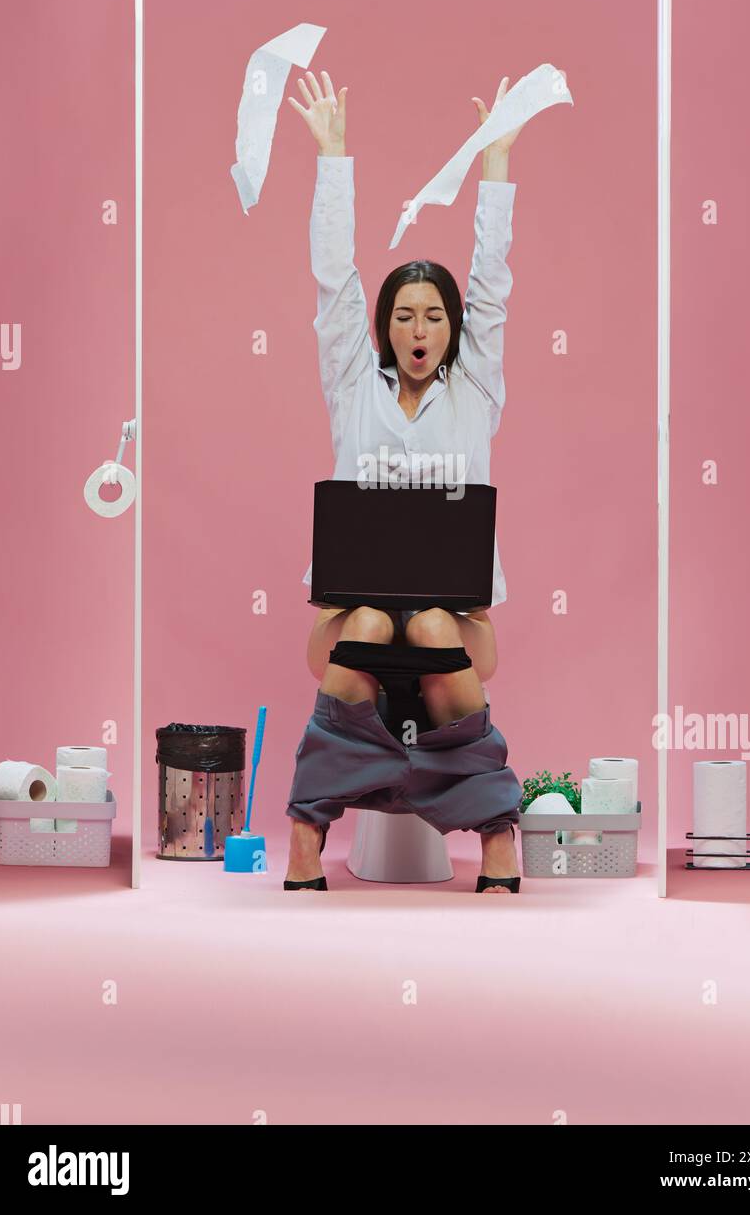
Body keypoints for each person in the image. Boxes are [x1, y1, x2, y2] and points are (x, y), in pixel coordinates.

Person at [284, 69, 524, 891]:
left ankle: (496, 834)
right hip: (349, 615)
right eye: (403, 315)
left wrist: (495, 162)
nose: (418, 328)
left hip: (457, 619)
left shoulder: (476, 388)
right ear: (383, 329)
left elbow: (493, 278)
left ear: (453, 329)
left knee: (423, 628)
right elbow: (331, 279)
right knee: (371, 633)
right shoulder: (352, 380)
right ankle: (307, 835)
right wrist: (334, 156)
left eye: (434, 315)